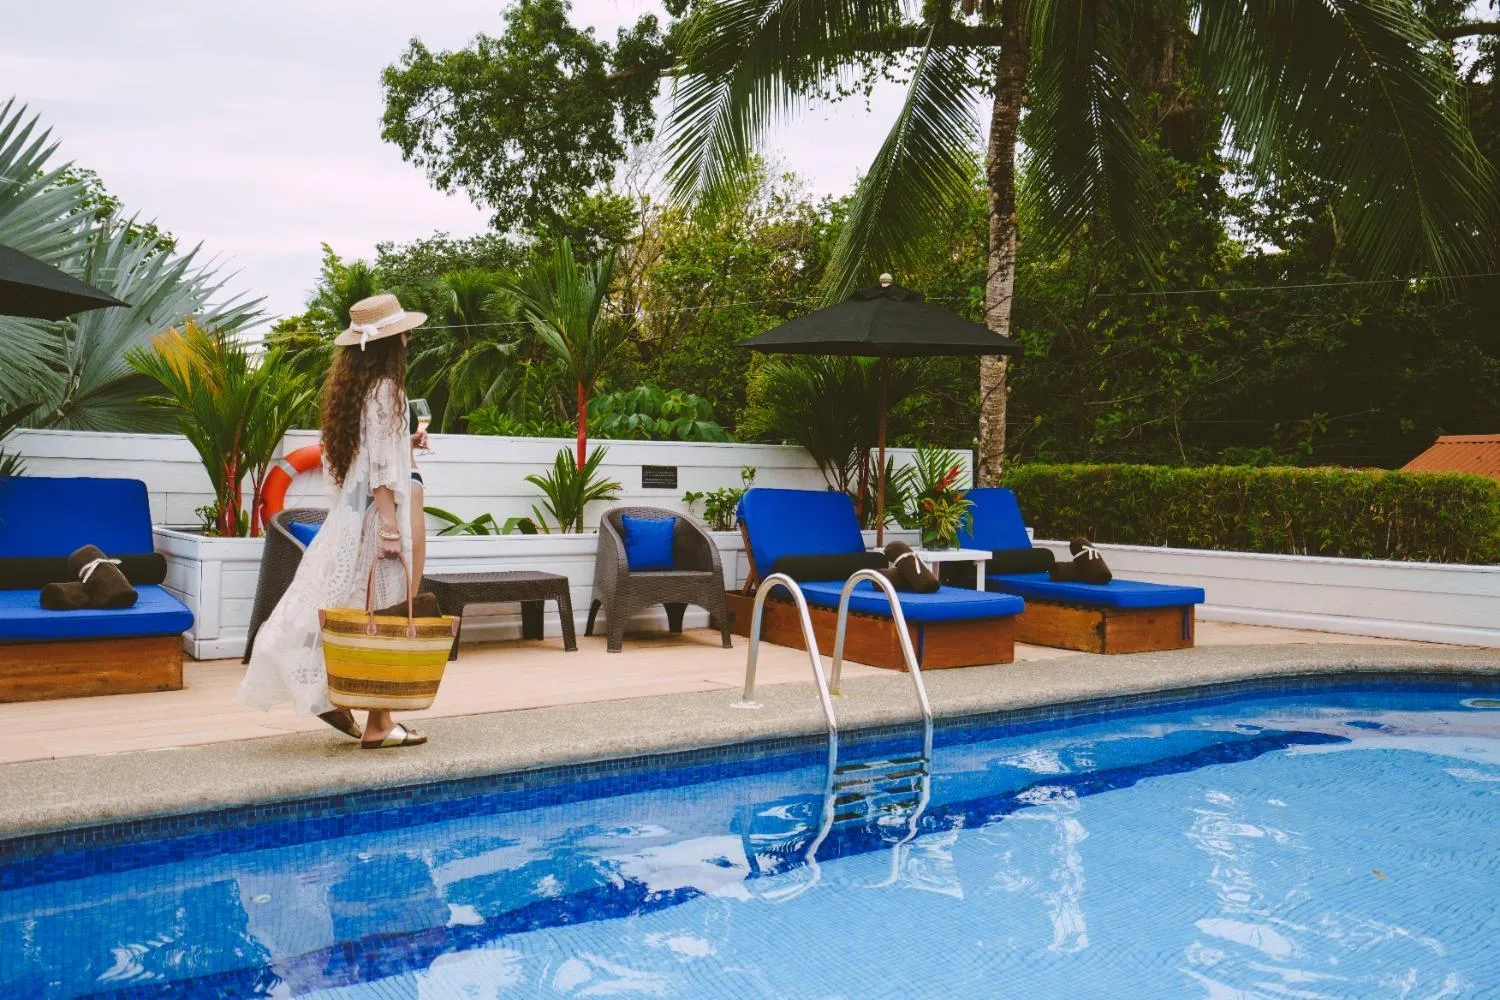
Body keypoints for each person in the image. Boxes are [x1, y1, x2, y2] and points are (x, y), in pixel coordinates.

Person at [238, 294, 431, 749]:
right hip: (375, 521)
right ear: (387, 342)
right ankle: (379, 721)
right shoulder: (388, 390)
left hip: (350, 521)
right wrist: (389, 529)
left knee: (335, 604)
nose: (407, 337)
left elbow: (369, 457)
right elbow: (382, 474)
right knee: (382, 612)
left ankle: (337, 697)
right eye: (401, 331)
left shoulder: (356, 391)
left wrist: (407, 443)